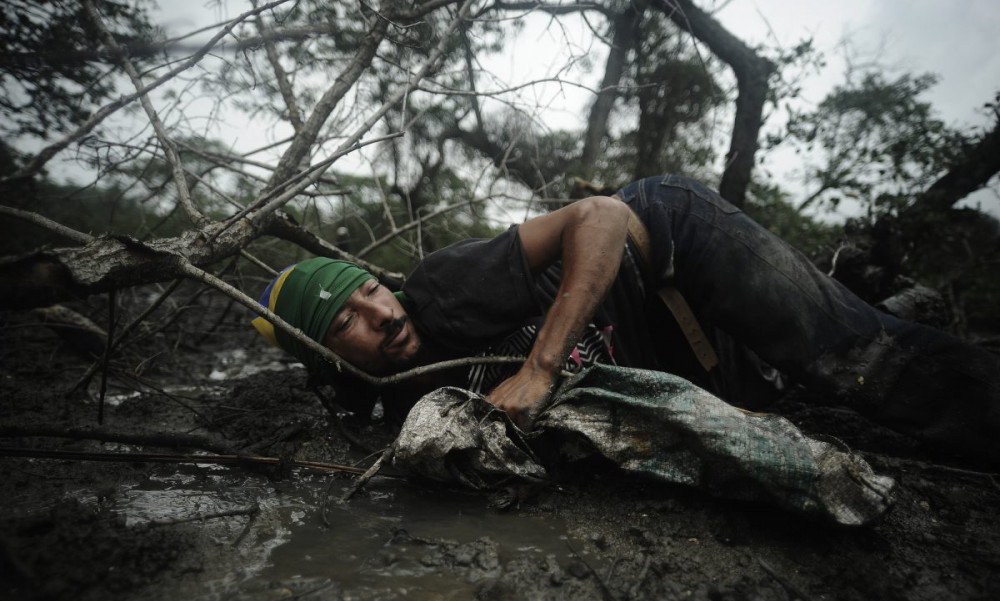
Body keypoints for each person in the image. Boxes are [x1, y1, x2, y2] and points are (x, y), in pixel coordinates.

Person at [252, 175, 1000, 464]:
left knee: (863, 359)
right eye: (343, 320)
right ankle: (901, 300)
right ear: (328, 360)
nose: (376, 314)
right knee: (813, 381)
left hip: (675, 247)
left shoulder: (441, 287)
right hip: (703, 360)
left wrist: (540, 369)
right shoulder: (394, 404)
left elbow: (602, 214)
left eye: (364, 292)